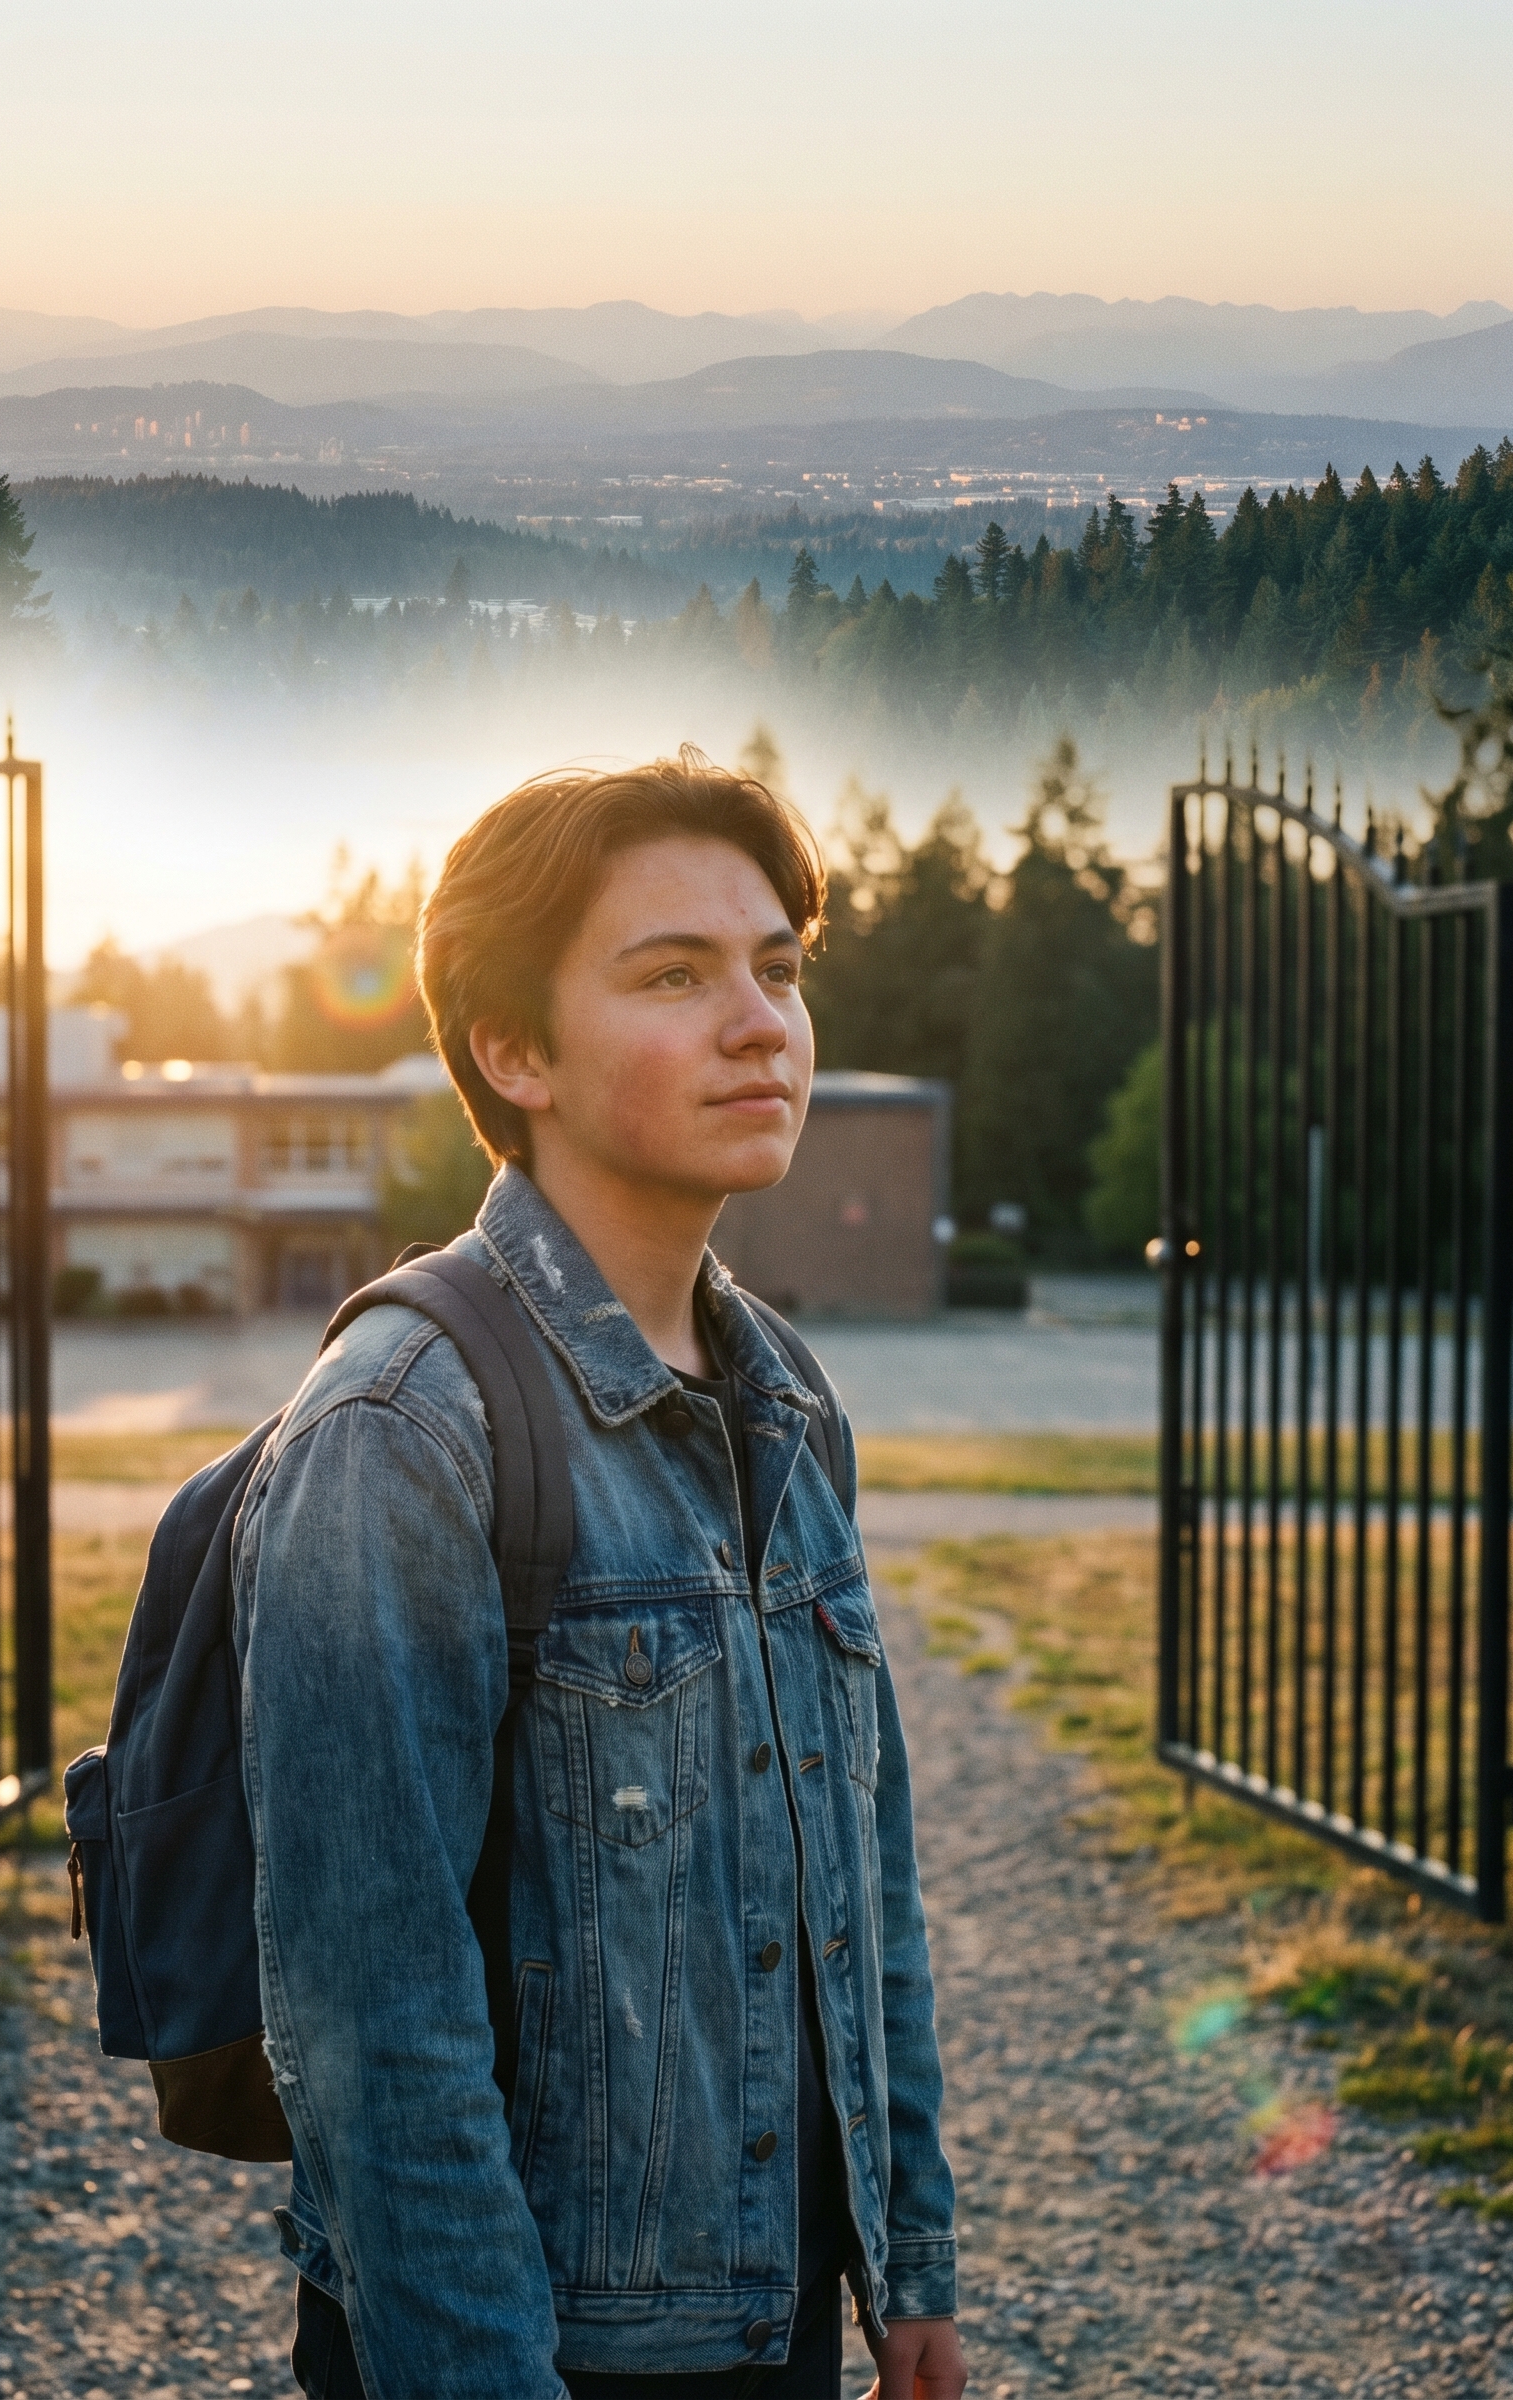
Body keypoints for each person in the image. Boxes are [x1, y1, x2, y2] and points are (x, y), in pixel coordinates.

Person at [232, 754, 964, 2400]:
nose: (761, 1019)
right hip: (539, 2352)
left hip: (776, 2324)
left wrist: (913, 2261)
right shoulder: (401, 1432)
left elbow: (866, 1872)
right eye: (675, 975)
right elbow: (370, 2029)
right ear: (513, 1049)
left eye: (777, 966)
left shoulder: (784, 1393)